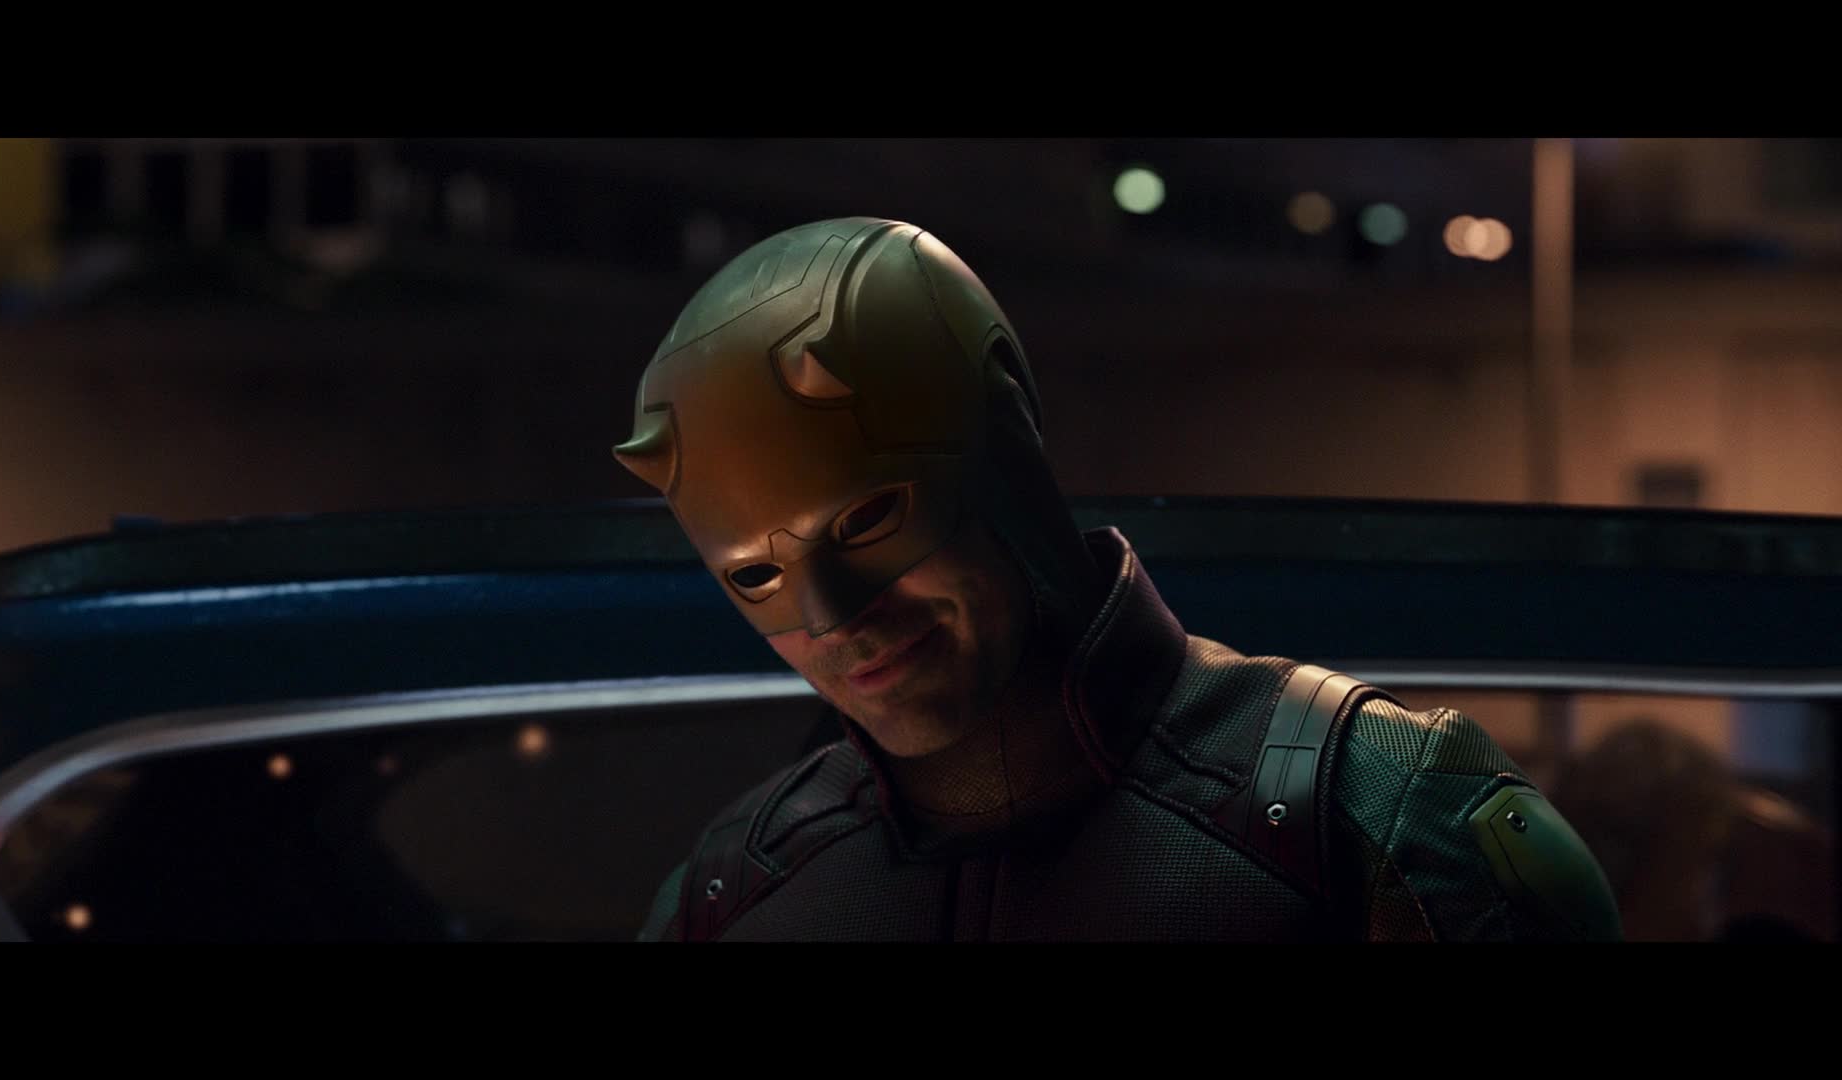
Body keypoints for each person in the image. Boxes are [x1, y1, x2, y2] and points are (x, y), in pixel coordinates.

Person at [615, 216, 1621, 942]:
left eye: (868, 521)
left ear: (1003, 440)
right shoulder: (732, 893)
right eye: (757, 574)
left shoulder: (1380, 821)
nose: (836, 618)